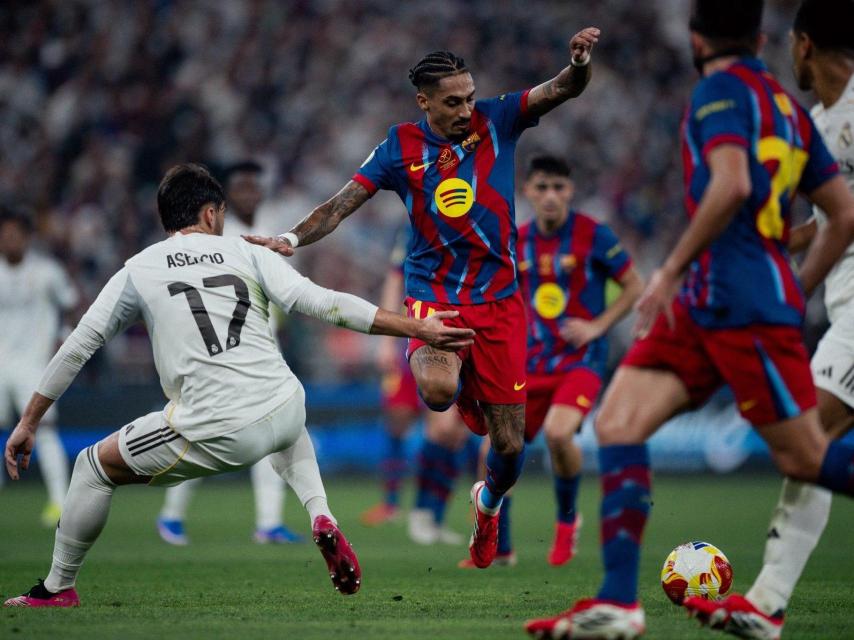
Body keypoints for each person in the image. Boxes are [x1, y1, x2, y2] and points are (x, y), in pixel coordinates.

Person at [2, 163, 473, 607]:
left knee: (91, 467)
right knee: (286, 422)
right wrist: (416, 327)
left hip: (216, 425)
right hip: (285, 404)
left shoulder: (139, 268)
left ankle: (57, 586)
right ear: (210, 214)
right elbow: (321, 302)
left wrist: (29, 421)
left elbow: (78, 346)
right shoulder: (247, 250)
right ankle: (320, 513)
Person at [526, 0, 854, 637]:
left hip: (734, 300)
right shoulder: (791, 110)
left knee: (805, 457)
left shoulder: (718, 92)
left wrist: (671, 269)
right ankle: (619, 602)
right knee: (618, 422)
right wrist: (793, 286)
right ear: (761, 38)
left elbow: (729, 183)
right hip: (719, 301)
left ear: (694, 39)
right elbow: (841, 213)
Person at [246, 27, 601, 568]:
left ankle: (487, 504)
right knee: (436, 392)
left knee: (509, 448)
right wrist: (291, 238)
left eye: (470, 97)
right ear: (425, 102)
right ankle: (458, 380)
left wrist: (577, 64)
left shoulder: (498, 120)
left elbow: (561, 89)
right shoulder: (399, 147)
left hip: (501, 303)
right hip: (434, 298)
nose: (465, 110)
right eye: (453, 102)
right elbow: (342, 204)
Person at [685, 2, 854, 638]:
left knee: (807, 442)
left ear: (804, 45)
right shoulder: (817, 121)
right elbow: (833, 217)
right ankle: (766, 604)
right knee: (810, 449)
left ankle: (767, 602)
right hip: (840, 305)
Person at [459, 155, 643, 569]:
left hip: (580, 361)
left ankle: (566, 523)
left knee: (561, 435)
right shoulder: (515, 241)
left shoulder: (593, 235)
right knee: (494, 448)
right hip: (526, 364)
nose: (550, 196)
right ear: (527, 191)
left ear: (570, 191)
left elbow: (634, 286)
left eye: (558, 187)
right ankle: (499, 547)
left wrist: (598, 327)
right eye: (541, 187)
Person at [156, 161, 304, 546]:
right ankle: (172, 515)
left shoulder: (274, 230)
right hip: (217, 349)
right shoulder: (216, 233)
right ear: (224, 196)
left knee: (275, 434)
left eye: (254, 186)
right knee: (207, 433)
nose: (249, 193)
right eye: (241, 187)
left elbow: (282, 292)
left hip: (261, 347)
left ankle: (269, 523)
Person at [361, 226, 469, 546]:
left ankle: (432, 515)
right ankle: (405, 507)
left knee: (451, 432)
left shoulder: (477, 223)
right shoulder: (416, 226)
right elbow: (397, 276)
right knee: (405, 419)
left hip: (460, 331)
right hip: (417, 331)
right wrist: (386, 337)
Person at [0, 208, 78, 527]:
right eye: (4, 235)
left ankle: (60, 503)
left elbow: (72, 306)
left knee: (43, 431)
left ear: (27, 238)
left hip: (35, 365)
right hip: (1, 364)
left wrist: (66, 338)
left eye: (14, 235)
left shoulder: (47, 272)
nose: (8, 240)